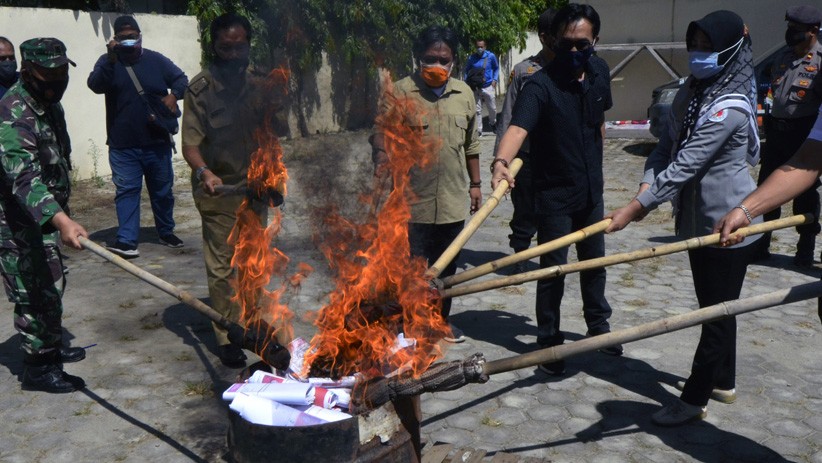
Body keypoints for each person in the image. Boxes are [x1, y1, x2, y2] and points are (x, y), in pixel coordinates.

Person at [606, 10, 762, 427]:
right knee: (717, 306)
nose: (698, 54)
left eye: (707, 47)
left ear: (729, 50)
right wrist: (644, 186)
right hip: (693, 223)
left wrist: (638, 209)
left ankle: (693, 400)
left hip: (728, 225)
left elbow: (687, 164)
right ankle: (723, 381)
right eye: (694, 46)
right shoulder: (691, 92)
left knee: (712, 314)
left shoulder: (728, 105)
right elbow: (665, 149)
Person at [491, 3, 619, 375]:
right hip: (554, 195)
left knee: (595, 265)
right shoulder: (539, 84)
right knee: (553, 271)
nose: (576, 52)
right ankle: (548, 342)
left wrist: (598, 169)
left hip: (591, 191)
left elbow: (599, 123)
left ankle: (599, 328)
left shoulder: (599, 72)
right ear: (554, 42)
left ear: (595, 40)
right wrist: (501, 163)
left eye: (583, 44)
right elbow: (517, 130)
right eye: (568, 44)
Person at [181, 13, 287, 368]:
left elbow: (273, 135)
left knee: (253, 263)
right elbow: (190, 145)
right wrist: (204, 172)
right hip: (219, 192)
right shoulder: (200, 90)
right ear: (214, 47)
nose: (232, 54)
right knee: (224, 267)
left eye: (239, 46)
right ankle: (228, 334)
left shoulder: (260, 85)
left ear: (248, 45)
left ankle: (253, 325)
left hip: (254, 190)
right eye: (225, 47)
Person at [372, 25, 482, 343]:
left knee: (446, 271)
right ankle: (411, 324)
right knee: (413, 270)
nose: (436, 65)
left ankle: (439, 323)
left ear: (453, 60)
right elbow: (380, 131)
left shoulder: (464, 94)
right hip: (411, 201)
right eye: (429, 58)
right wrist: (381, 154)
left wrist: (476, 185)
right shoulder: (400, 92)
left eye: (443, 59)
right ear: (418, 59)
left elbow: (472, 145)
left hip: (451, 201)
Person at [0, 38, 89, 393]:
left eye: (62, 72)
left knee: (51, 283)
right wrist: (62, 220)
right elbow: (24, 177)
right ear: (28, 72)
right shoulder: (11, 113)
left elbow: (57, 159)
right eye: (48, 74)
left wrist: (61, 214)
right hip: (17, 223)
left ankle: (50, 345)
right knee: (32, 291)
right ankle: (39, 368)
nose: (57, 80)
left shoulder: (49, 105)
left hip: (47, 219)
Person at [87, 15, 189, 259]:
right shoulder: (108, 62)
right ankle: (126, 240)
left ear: (140, 36)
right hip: (123, 145)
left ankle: (166, 231)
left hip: (157, 142)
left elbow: (182, 80)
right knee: (127, 191)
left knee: (162, 191)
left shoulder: (156, 60)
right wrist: (111, 58)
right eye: (123, 38)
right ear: (115, 39)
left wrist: (174, 95)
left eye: (132, 36)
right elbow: (95, 84)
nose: (129, 41)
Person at [755, 5, 822, 266]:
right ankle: (761, 244)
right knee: (767, 189)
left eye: (795, 29)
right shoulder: (783, 56)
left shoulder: (819, 62)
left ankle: (805, 248)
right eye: (789, 27)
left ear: (812, 31)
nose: (790, 33)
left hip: (804, 134)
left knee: (804, 196)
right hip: (777, 133)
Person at [494, 8, 556, 274]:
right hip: (527, 158)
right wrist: (501, 160)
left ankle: (551, 261)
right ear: (544, 37)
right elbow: (508, 117)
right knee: (525, 210)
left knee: (554, 214)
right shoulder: (524, 71)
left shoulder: (574, 70)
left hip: (559, 158)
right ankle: (520, 254)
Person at [463, 39, 499, 137]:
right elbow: (466, 70)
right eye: (478, 46)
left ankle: (493, 123)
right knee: (477, 110)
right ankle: (479, 130)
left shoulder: (490, 56)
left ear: (485, 47)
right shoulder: (472, 58)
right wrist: (466, 82)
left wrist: (495, 80)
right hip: (476, 87)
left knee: (492, 108)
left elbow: (496, 68)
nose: (479, 48)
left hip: (488, 86)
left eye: (481, 46)